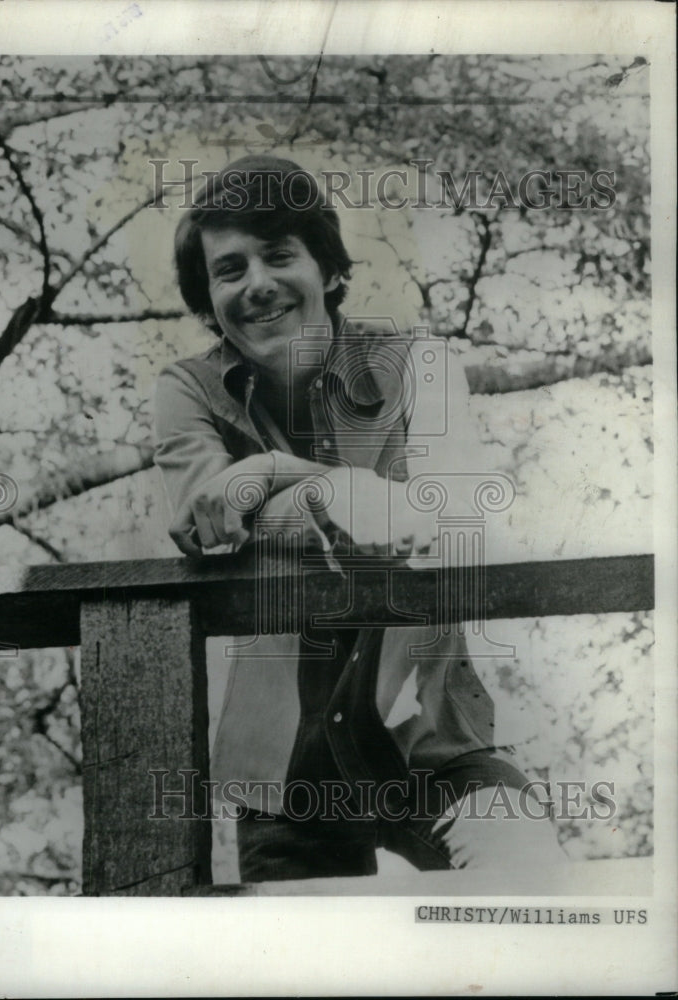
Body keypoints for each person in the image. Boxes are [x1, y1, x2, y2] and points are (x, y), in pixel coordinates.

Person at [153, 154, 563, 882]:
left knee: (528, 878)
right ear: (208, 297)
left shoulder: (418, 367)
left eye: (279, 255)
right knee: (295, 966)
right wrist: (333, 491)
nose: (257, 284)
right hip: (285, 768)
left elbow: (454, 511)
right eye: (230, 269)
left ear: (331, 270)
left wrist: (274, 476)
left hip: (435, 733)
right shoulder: (187, 391)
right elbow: (207, 519)